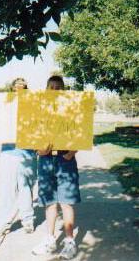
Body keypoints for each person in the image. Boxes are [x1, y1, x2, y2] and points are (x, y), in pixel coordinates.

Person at [32, 75, 80, 260]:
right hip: (45, 161)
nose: (54, 90)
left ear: (64, 90)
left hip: (65, 160)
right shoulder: (39, 111)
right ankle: (50, 240)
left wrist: (72, 151)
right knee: (49, 202)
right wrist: (39, 150)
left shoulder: (72, 110)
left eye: (58, 87)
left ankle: (69, 242)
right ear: (46, 89)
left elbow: (81, 132)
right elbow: (32, 133)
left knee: (66, 202)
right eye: (51, 87)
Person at [0, 78, 37, 236]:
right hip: (9, 152)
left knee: (26, 188)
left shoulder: (33, 107)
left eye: (22, 88)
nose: (19, 90)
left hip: (27, 153)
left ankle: (28, 220)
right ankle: (1, 224)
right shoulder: (5, 107)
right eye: (17, 88)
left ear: (25, 89)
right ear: (12, 89)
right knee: (6, 189)